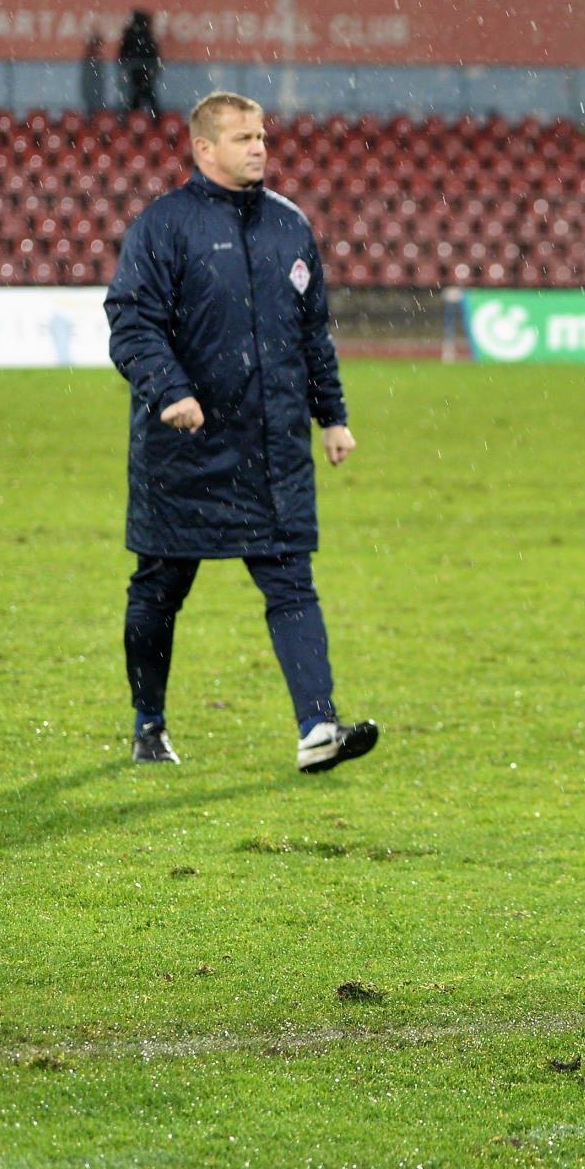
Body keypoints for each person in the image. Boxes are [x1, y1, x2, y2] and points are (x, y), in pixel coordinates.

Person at [106, 91, 379, 772]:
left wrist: (332, 416)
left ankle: (317, 729)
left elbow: (312, 335)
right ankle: (148, 723)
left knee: (292, 583)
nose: (259, 148)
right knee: (160, 588)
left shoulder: (290, 225)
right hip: (184, 452)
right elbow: (131, 323)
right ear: (204, 149)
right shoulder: (163, 226)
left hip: (272, 449)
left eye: (261, 136)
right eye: (242, 138)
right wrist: (171, 391)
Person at [117, 10, 161, 118]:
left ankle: (133, 118)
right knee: (141, 95)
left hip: (140, 72)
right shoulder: (138, 35)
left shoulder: (135, 35)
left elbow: (125, 53)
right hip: (139, 72)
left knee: (139, 96)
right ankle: (147, 118)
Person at [81, 32, 105, 116]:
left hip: (98, 94)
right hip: (91, 93)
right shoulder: (89, 62)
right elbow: (87, 81)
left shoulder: (99, 62)